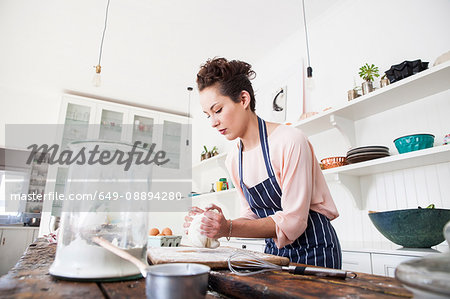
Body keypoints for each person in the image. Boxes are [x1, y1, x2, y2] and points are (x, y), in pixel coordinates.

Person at [184, 57, 342, 268]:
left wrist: (229, 228)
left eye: (218, 110)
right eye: (207, 115)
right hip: (273, 253)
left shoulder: (290, 140)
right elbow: (250, 217)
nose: (213, 122)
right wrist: (214, 224)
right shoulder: (234, 159)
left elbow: (294, 221)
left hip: (316, 251)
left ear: (243, 99)